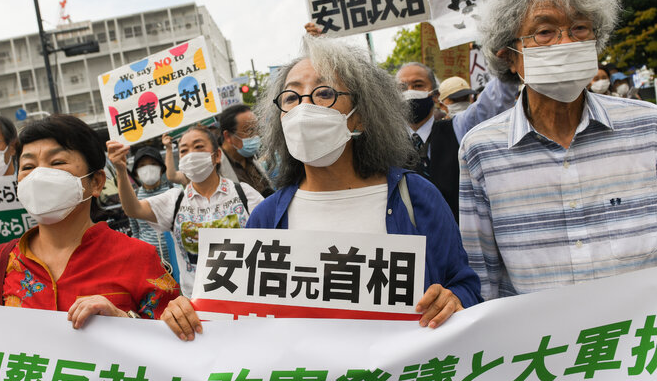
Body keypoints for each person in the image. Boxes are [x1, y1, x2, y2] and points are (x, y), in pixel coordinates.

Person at [160, 35, 482, 341]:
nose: (304, 108)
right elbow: (235, 317)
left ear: (360, 117)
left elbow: (464, 285)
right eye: (291, 97)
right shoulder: (267, 218)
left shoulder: (414, 197)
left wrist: (453, 300)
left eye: (324, 93)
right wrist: (189, 312)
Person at [460, 0, 657, 301]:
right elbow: (481, 272)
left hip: (641, 327)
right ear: (510, 55)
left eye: (579, 29)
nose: (566, 43)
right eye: (545, 32)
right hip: (539, 335)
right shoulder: (481, 149)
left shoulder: (649, 126)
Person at [0, 115, 180, 328]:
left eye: (57, 162)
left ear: (96, 182)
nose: (38, 175)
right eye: (28, 166)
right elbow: (1, 301)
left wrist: (123, 320)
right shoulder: (7, 258)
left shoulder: (138, 258)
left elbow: (175, 334)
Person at [108, 126, 264, 296]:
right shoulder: (174, 200)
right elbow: (133, 209)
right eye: (183, 150)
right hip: (198, 304)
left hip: (245, 299)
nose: (191, 155)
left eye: (198, 147)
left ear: (217, 156)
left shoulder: (244, 194)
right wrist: (121, 171)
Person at [395, 62, 517, 218]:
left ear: (435, 95)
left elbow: (494, 99)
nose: (410, 93)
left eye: (418, 85)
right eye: (402, 88)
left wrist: (510, 62)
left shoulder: (458, 128)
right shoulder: (388, 144)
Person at [127, 145, 177, 269]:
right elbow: (135, 231)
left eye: (153, 164)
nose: (148, 168)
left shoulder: (174, 191)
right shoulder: (133, 197)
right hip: (149, 262)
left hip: (177, 260)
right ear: (136, 172)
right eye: (142, 165)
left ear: (161, 169)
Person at [216, 104, 274, 197]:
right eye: (249, 131)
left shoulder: (251, 159)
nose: (256, 135)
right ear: (228, 136)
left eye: (256, 129)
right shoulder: (216, 169)